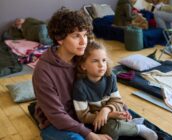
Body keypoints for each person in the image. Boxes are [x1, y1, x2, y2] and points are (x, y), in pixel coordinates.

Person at [32, 8, 112, 140]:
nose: (83, 42)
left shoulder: (84, 56)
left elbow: (106, 83)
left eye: (85, 35)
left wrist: (107, 109)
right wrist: (89, 134)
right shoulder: (43, 71)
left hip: (84, 112)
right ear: (60, 39)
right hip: (55, 123)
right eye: (76, 36)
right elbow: (56, 116)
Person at [73, 41, 158, 140]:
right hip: (95, 120)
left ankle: (138, 128)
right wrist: (109, 115)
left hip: (111, 111)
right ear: (83, 66)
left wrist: (106, 110)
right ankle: (130, 126)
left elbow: (117, 100)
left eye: (104, 60)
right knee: (110, 131)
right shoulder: (79, 87)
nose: (101, 65)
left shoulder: (110, 77)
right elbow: (83, 117)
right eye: (95, 61)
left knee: (122, 112)